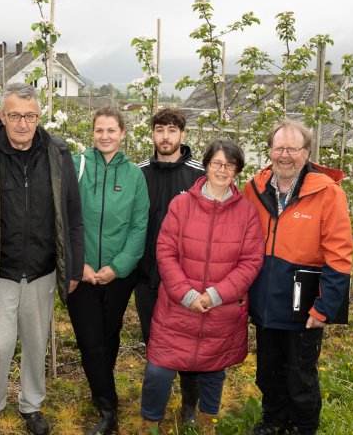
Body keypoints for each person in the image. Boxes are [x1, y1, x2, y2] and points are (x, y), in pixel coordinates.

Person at [0, 82, 84, 435]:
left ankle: (31, 405)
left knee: (36, 342)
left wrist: (72, 266)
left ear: (39, 116)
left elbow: (72, 214)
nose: (23, 123)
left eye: (30, 116)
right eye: (15, 116)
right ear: (2, 116)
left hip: (41, 271)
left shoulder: (57, 153)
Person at [139, 139, 264, 435]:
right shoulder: (181, 204)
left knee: (213, 368)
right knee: (159, 369)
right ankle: (150, 423)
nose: (222, 170)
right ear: (206, 165)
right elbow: (165, 251)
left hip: (220, 309)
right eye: (217, 163)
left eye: (230, 165)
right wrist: (187, 293)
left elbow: (251, 260)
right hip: (178, 305)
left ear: (237, 170)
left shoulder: (246, 212)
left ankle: (207, 422)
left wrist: (217, 294)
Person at [243, 119, 353, 435]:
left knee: (300, 373)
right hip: (265, 302)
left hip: (304, 303)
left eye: (293, 148)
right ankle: (274, 421)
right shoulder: (255, 189)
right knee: (267, 372)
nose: (285, 155)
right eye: (279, 148)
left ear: (306, 152)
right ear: (269, 151)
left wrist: (325, 308)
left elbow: (340, 255)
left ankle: (302, 427)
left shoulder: (328, 193)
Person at [68, 107, 149, 434]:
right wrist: (81, 264)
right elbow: (65, 219)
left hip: (118, 276)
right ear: (93, 132)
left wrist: (117, 267)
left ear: (123, 133)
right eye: (99, 130)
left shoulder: (133, 175)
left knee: (109, 334)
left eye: (111, 130)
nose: (105, 136)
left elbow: (139, 225)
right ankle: (108, 408)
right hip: (81, 274)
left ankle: (100, 390)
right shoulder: (76, 167)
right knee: (90, 341)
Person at [136, 108, 204, 424]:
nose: (166, 136)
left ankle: (190, 404)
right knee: (155, 343)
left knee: (190, 342)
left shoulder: (197, 176)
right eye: (160, 129)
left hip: (187, 279)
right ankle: (156, 405)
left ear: (182, 135)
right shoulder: (138, 173)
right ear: (152, 134)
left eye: (172, 130)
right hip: (147, 276)